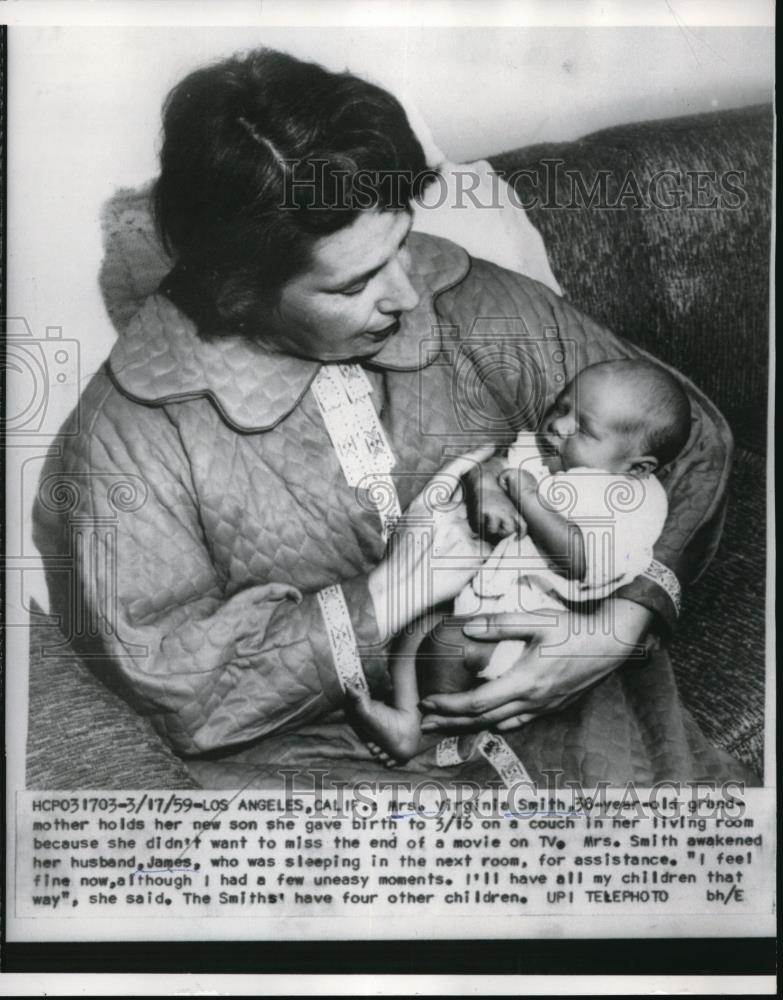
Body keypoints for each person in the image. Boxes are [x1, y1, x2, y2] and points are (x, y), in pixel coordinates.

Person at [34, 47, 755, 789]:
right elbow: (177, 690)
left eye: (401, 242)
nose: (408, 294)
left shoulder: (463, 297)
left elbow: (687, 434)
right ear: (239, 290)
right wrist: (391, 592)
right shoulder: (133, 436)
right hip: (344, 771)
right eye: (353, 283)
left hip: (588, 717)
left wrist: (616, 626)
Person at [345, 359, 690, 764]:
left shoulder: (633, 503)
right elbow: (494, 463)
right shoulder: (547, 453)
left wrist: (526, 494)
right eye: (562, 408)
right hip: (483, 599)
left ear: (637, 467)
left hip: (537, 631)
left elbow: (578, 559)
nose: (559, 426)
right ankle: (406, 718)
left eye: (584, 428)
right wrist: (485, 485)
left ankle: (433, 730)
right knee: (418, 627)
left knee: (447, 644)